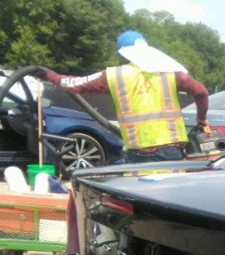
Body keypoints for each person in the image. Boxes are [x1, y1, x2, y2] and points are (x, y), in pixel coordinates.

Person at [33, 31, 211, 163]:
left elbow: (75, 84)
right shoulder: (171, 72)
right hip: (172, 151)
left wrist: (48, 75)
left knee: (137, 202)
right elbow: (201, 92)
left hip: (139, 152)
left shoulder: (114, 76)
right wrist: (201, 120)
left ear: (123, 53)